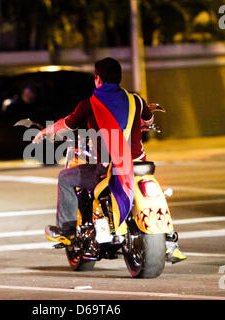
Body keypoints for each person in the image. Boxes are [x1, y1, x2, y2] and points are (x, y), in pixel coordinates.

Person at [33, 57, 186, 263]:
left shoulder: (89, 104)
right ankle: (170, 239)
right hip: (140, 166)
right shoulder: (136, 101)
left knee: (65, 178)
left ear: (97, 79)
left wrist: (46, 131)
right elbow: (147, 120)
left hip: (110, 168)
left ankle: (67, 231)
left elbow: (68, 125)